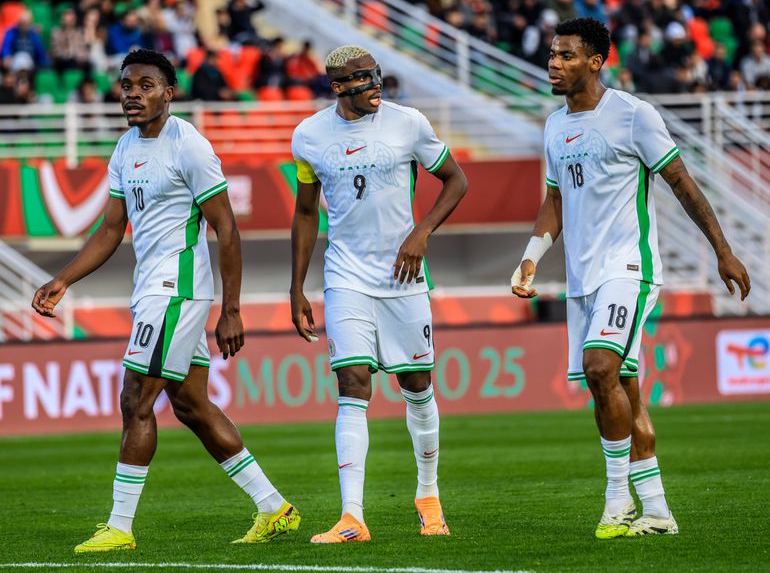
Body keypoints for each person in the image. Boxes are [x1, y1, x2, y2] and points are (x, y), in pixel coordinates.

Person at [31, 49, 299, 553]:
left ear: (170, 91)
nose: (133, 93)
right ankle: (274, 508)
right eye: (127, 85)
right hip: (152, 290)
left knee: (135, 401)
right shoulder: (126, 147)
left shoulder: (189, 147)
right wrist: (63, 279)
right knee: (191, 405)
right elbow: (112, 228)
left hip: (176, 290)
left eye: (146, 84)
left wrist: (232, 310)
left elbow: (227, 228)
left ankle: (120, 526)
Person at [511, 18, 750, 539]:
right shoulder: (554, 126)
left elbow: (682, 183)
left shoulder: (633, 115)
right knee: (620, 390)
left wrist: (723, 251)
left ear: (596, 62)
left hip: (629, 267)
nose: (554, 63)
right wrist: (532, 255)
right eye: (552, 54)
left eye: (567, 55)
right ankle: (658, 510)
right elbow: (553, 202)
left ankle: (616, 498)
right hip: (582, 279)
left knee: (600, 367)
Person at [290, 45, 468, 543]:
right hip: (345, 277)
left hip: (404, 278)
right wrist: (296, 286)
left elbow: (456, 181)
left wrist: (422, 232)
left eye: (376, 75)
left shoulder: (408, 123)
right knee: (352, 387)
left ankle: (428, 495)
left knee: (417, 385)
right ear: (338, 86)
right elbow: (306, 213)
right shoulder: (309, 136)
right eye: (362, 78)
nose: (374, 85)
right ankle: (353, 517)